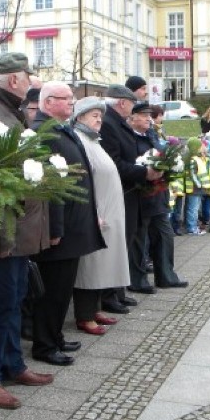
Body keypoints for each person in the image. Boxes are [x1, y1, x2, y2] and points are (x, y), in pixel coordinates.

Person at [0, 52, 53, 412]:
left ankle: (12, 365)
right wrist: (3, 235)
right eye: (28, 76)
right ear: (15, 80)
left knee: (13, 301)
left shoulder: (7, 110)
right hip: (3, 233)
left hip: (17, 231)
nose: (32, 82)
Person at [30, 82, 105, 365]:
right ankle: (45, 345)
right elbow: (49, 186)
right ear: (49, 102)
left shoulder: (59, 127)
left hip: (72, 225)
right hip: (59, 229)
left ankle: (56, 337)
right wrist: (55, 228)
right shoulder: (43, 131)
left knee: (62, 290)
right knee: (53, 291)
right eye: (67, 99)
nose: (72, 103)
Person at [71, 98, 131, 325]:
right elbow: (85, 181)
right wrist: (93, 212)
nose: (99, 119)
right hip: (98, 214)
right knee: (92, 266)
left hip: (109, 212)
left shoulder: (93, 140)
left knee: (103, 265)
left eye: (100, 115)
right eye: (93, 115)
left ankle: (94, 309)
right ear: (79, 117)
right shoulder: (80, 140)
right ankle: (84, 315)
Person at [100, 85, 156, 303]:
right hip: (120, 192)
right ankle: (110, 295)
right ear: (122, 102)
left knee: (125, 243)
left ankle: (118, 291)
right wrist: (144, 172)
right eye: (132, 104)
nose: (133, 109)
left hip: (129, 192)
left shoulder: (117, 123)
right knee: (117, 245)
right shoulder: (109, 124)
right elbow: (114, 163)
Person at [130, 103, 188, 288]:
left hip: (159, 195)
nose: (149, 118)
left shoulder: (152, 135)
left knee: (164, 235)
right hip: (140, 195)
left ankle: (166, 276)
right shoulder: (129, 137)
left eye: (149, 115)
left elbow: (163, 154)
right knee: (139, 240)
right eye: (143, 115)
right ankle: (137, 280)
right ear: (131, 118)